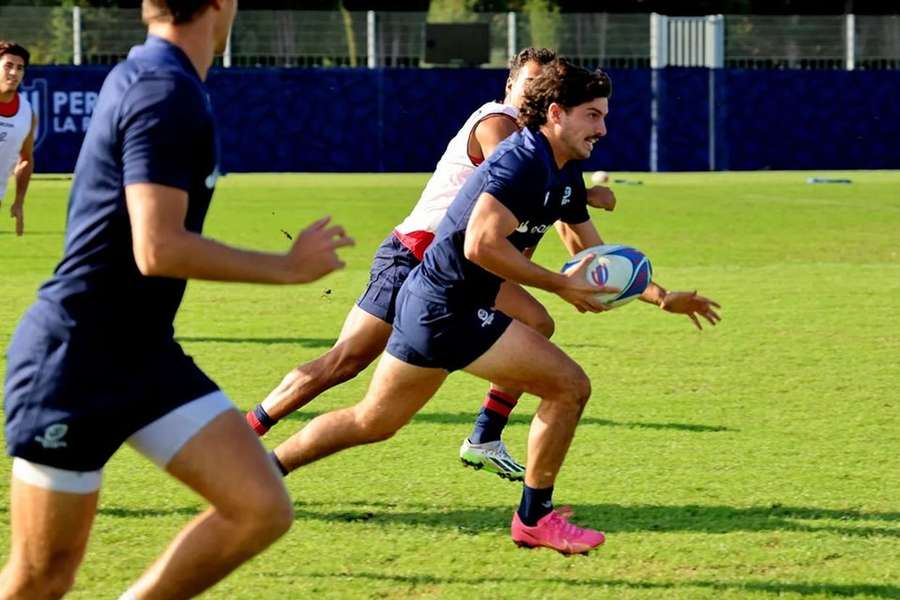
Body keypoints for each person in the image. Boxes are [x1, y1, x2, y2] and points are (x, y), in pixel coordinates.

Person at [268, 59, 720, 554]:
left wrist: (660, 297)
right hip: (447, 305)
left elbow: (593, 255)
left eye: (604, 115)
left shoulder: (563, 169)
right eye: (592, 115)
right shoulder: (520, 159)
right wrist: (556, 285)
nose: (603, 128)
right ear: (556, 113)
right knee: (569, 387)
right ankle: (532, 516)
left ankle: (263, 472)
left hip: (442, 303)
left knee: (373, 421)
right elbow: (480, 246)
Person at [0, 1, 353, 598]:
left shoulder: (162, 75)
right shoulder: (163, 88)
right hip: (75, 360)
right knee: (41, 579)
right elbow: (157, 248)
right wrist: (286, 268)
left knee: (260, 506)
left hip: (142, 355)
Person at [247, 47, 617, 482]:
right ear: (511, 85)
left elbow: (546, 197)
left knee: (536, 323)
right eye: (529, 83)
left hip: (459, 272)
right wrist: (583, 195)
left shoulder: (539, 145)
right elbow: (520, 182)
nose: (534, 92)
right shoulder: (501, 124)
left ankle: (485, 437)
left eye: (544, 83)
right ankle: (248, 431)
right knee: (345, 362)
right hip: (415, 256)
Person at [0, 41, 36, 237]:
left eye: (19, 68)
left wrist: (19, 202)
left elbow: (26, 160)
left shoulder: (26, 113)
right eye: (8, 66)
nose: (14, 73)